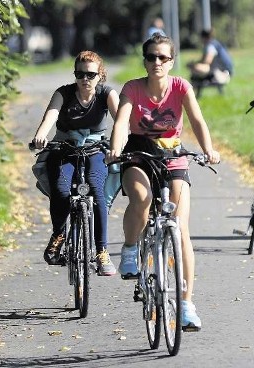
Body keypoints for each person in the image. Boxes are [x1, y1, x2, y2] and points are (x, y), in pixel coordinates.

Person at [106, 33, 220, 331]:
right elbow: (121, 122)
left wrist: (208, 150)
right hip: (139, 153)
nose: (157, 62)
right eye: (151, 57)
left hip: (173, 155)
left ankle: (185, 305)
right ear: (144, 61)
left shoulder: (181, 86)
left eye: (163, 57)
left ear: (171, 61)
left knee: (180, 229)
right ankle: (130, 249)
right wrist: (115, 149)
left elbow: (197, 121)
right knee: (141, 200)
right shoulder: (132, 88)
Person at [32, 50, 119, 275]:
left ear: (100, 75)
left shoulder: (107, 94)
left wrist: (120, 144)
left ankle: (102, 252)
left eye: (90, 75)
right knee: (61, 191)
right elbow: (50, 115)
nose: (84, 79)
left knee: (96, 190)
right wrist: (41, 135)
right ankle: (58, 235)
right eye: (79, 74)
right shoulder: (64, 93)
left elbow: (122, 121)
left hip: (95, 149)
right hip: (65, 149)